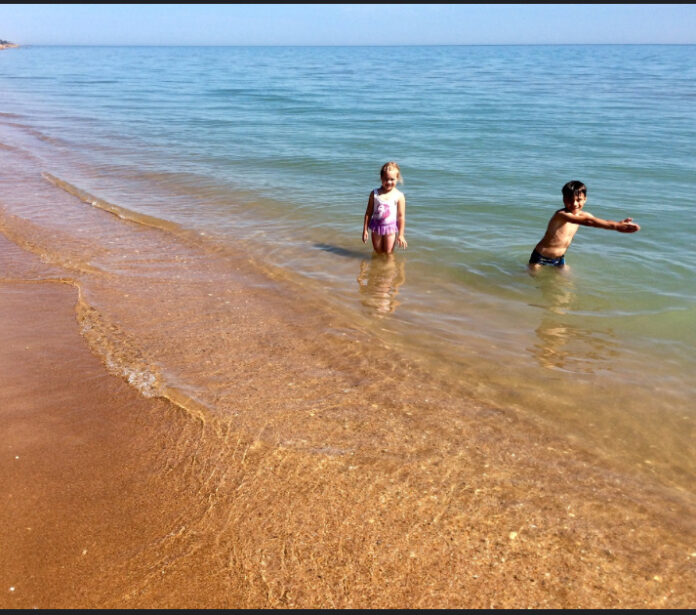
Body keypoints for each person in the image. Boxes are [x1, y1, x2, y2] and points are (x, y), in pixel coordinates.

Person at [529, 180, 640, 270]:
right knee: (534, 282)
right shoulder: (561, 215)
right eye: (570, 200)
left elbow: (595, 220)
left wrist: (617, 223)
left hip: (559, 259)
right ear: (563, 199)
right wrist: (616, 226)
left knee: (566, 283)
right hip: (540, 257)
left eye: (578, 200)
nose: (574, 204)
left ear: (585, 199)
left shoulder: (584, 215)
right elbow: (588, 222)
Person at [362, 161, 407, 254]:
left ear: (397, 178)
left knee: (389, 252)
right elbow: (368, 213)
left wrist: (401, 235)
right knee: (377, 251)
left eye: (392, 179)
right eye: (386, 179)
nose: (389, 182)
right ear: (381, 178)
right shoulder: (374, 193)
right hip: (376, 228)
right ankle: (377, 264)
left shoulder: (399, 196)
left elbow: (401, 217)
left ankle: (389, 264)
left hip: (390, 229)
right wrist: (365, 230)